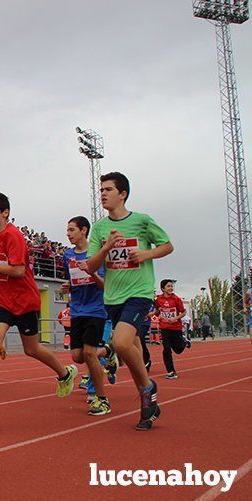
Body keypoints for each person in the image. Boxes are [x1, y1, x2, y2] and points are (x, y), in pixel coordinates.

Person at [0, 192, 78, 425]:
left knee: (32, 349)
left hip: (24, 300)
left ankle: (65, 374)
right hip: (0, 299)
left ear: (5, 212)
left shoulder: (14, 236)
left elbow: (17, 270)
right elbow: (3, 265)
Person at [85, 172, 173, 431]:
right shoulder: (100, 228)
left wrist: (146, 253)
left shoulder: (142, 221)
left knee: (121, 342)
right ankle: (147, 397)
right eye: (101, 189)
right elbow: (90, 266)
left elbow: (167, 246)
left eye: (108, 189)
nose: (103, 193)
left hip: (139, 293)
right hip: (113, 297)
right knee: (128, 346)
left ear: (122, 193)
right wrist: (106, 247)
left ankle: (147, 387)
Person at [61, 216, 118, 416]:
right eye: (67, 230)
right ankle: (108, 352)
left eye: (71, 230)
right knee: (77, 356)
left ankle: (101, 399)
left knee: (89, 353)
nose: (68, 234)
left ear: (84, 231)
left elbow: (105, 285)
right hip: (77, 310)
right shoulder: (67, 255)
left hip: (96, 309)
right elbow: (72, 280)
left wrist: (91, 272)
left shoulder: (96, 254)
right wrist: (68, 286)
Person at [150, 279, 189, 379]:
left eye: (171, 286)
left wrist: (175, 318)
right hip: (164, 327)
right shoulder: (158, 300)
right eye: (168, 286)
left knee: (178, 350)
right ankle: (171, 371)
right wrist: (149, 315)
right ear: (163, 288)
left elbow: (183, 312)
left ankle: (184, 342)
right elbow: (156, 311)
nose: (171, 288)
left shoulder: (176, 299)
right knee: (166, 349)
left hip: (176, 327)